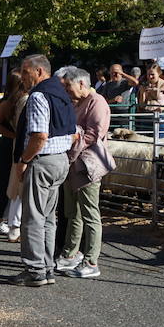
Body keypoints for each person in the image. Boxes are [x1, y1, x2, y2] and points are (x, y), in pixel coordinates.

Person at [10, 53, 77, 287]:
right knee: (48, 218)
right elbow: (73, 131)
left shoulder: (39, 95)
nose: (23, 78)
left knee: (33, 218)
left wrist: (23, 160)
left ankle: (35, 269)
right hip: (60, 160)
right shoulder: (62, 93)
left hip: (43, 160)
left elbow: (39, 136)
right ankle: (47, 268)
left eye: (26, 72)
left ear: (39, 71)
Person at [55, 67, 113, 279]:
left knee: (90, 212)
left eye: (69, 86)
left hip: (88, 165)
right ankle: (71, 254)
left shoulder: (97, 103)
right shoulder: (79, 102)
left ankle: (91, 260)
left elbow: (94, 133)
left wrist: (71, 141)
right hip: (74, 164)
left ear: (81, 83)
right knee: (73, 212)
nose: (67, 91)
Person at [0, 71, 27, 240]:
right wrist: (15, 136)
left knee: (15, 184)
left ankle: (11, 220)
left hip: (14, 145)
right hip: (6, 146)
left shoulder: (21, 102)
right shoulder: (6, 103)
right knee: (2, 183)